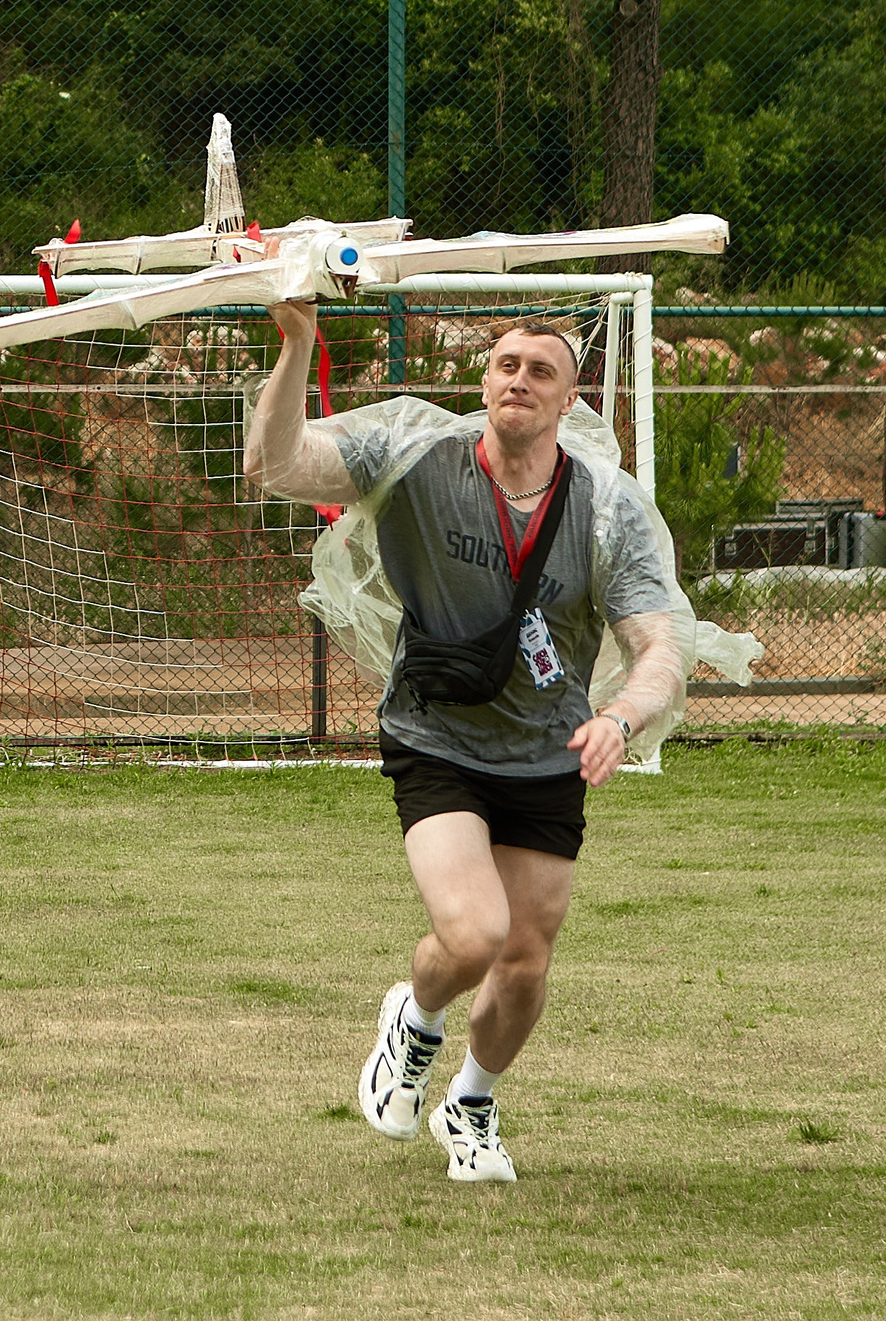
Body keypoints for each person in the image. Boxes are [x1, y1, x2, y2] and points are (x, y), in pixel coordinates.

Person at [244, 302, 685, 1183]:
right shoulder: (415, 454)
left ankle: (471, 1103)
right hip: (436, 732)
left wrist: (621, 718)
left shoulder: (606, 507)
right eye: (506, 365)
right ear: (485, 383)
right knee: (476, 933)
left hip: (550, 749)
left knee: (524, 962)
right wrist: (297, 344)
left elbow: (661, 647)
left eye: (541, 370)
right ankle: (414, 1020)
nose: (519, 380)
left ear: (568, 400)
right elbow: (274, 462)